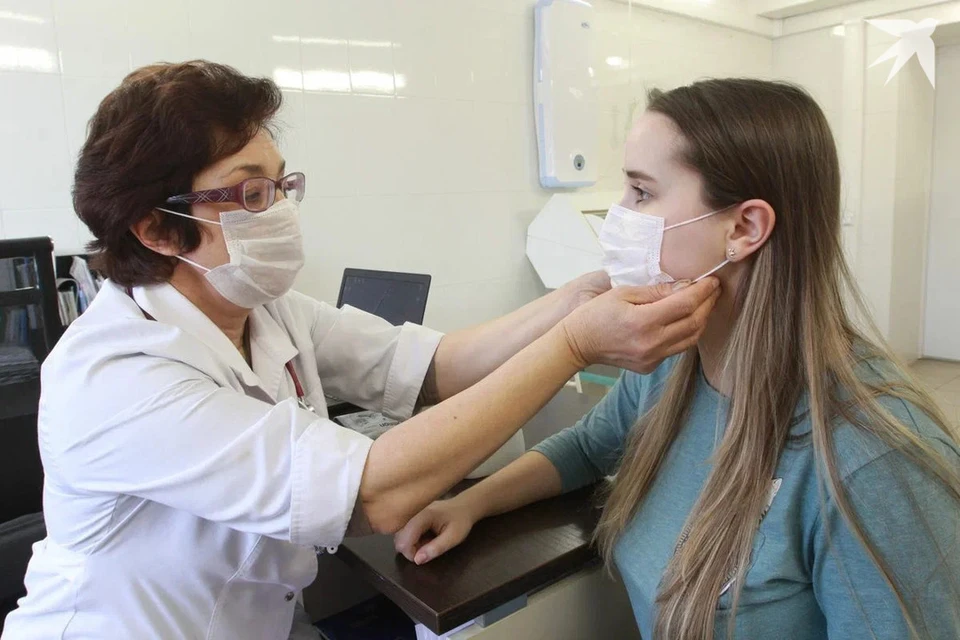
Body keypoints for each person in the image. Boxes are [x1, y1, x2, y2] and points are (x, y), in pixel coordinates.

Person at [0, 61, 720, 640]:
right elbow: (373, 494)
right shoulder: (115, 375)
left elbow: (434, 367)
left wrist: (569, 302)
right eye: (250, 195)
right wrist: (573, 344)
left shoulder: (262, 308)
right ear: (158, 230)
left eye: (282, 184)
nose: (280, 211)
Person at [395, 78, 960, 640]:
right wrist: (472, 504)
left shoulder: (874, 464)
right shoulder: (674, 361)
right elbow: (587, 447)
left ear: (745, 228)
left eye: (641, 193)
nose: (617, 214)